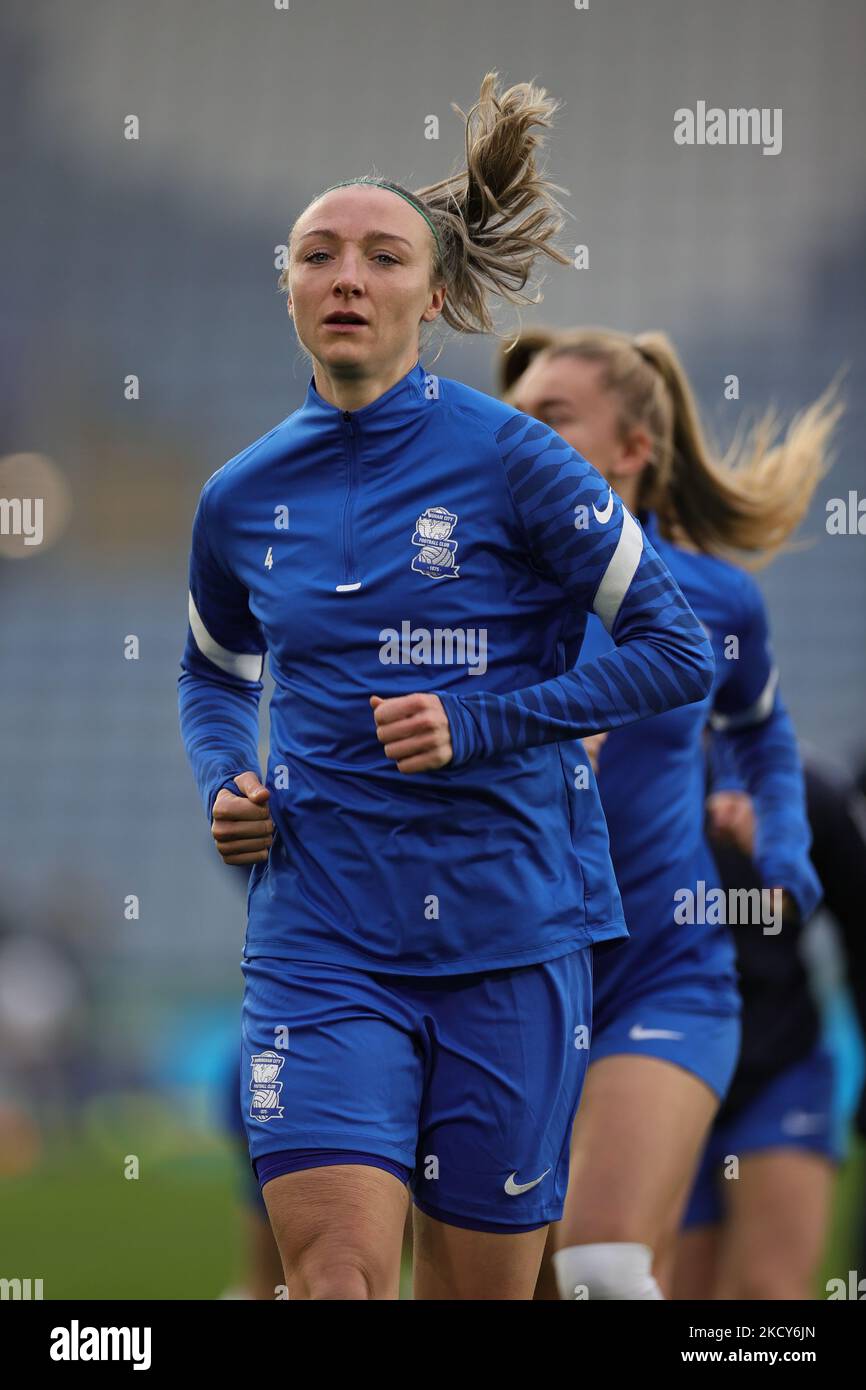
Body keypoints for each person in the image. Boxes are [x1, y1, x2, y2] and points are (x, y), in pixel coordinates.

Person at [178, 73, 715, 1301]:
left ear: (430, 291)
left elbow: (676, 648)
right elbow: (210, 674)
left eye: (380, 255)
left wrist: (480, 722)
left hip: (509, 936)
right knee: (336, 1280)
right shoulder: (238, 495)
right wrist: (227, 778)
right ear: (291, 287)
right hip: (320, 939)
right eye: (319, 255)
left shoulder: (517, 459)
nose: (348, 277)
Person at [502, 326, 839, 1299]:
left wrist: (779, 840)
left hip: (663, 973)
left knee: (603, 1270)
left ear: (631, 451)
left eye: (551, 419)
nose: (518, 439)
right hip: (504, 987)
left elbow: (760, 730)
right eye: (510, 420)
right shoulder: (467, 600)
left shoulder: (711, 599)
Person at [673, 750, 866, 1299]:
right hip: (665, 1073)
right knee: (673, 1290)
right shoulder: (623, 794)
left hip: (782, 1069)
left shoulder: (805, 794)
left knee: (768, 1294)